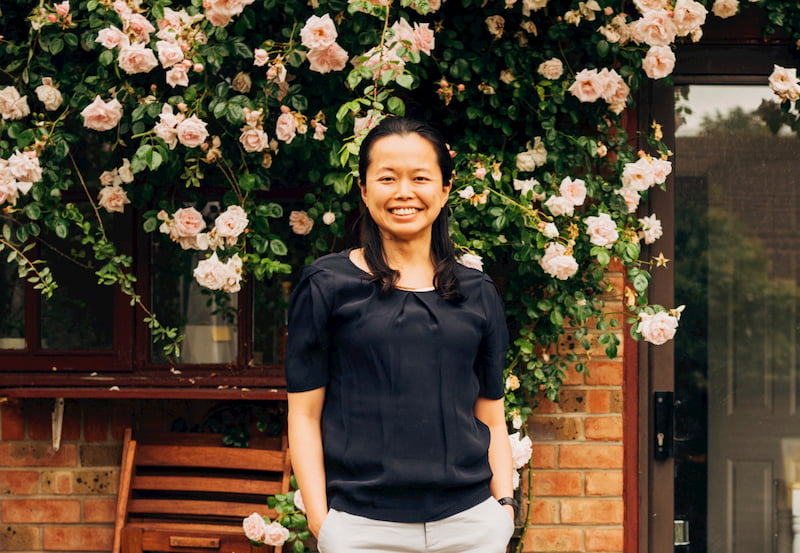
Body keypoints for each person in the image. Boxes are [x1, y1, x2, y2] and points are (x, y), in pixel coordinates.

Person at [285, 116, 515, 553]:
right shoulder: (326, 285)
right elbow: (304, 415)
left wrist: (503, 507)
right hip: (361, 528)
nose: (404, 192)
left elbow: (492, 415)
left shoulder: (477, 292)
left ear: (445, 190)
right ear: (364, 190)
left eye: (421, 178)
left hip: (471, 525)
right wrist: (322, 521)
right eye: (387, 178)